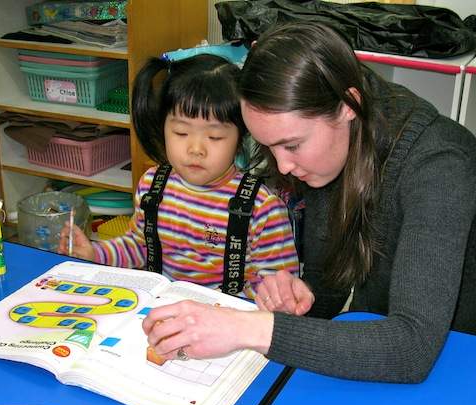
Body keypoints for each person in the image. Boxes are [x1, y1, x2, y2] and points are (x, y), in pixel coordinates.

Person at [142, 22, 476, 383]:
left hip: (465, 365)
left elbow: (411, 348)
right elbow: (329, 287)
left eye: (292, 145)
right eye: (268, 146)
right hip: (375, 346)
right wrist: (299, 298)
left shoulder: (441, 169)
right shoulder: (332, 150)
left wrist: (251, 328)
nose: (283, 165)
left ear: (349, 105)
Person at [58, 54, 299, 300]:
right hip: (159, 311)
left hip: (225, 324)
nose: (196, 149)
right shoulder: (153, 187)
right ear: (163, 128)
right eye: (181, 132)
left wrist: (218, 307)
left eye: (214, 137)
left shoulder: (262, 209)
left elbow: (277, 290)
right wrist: (94, 253)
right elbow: (139, 246)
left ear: (241, 140)